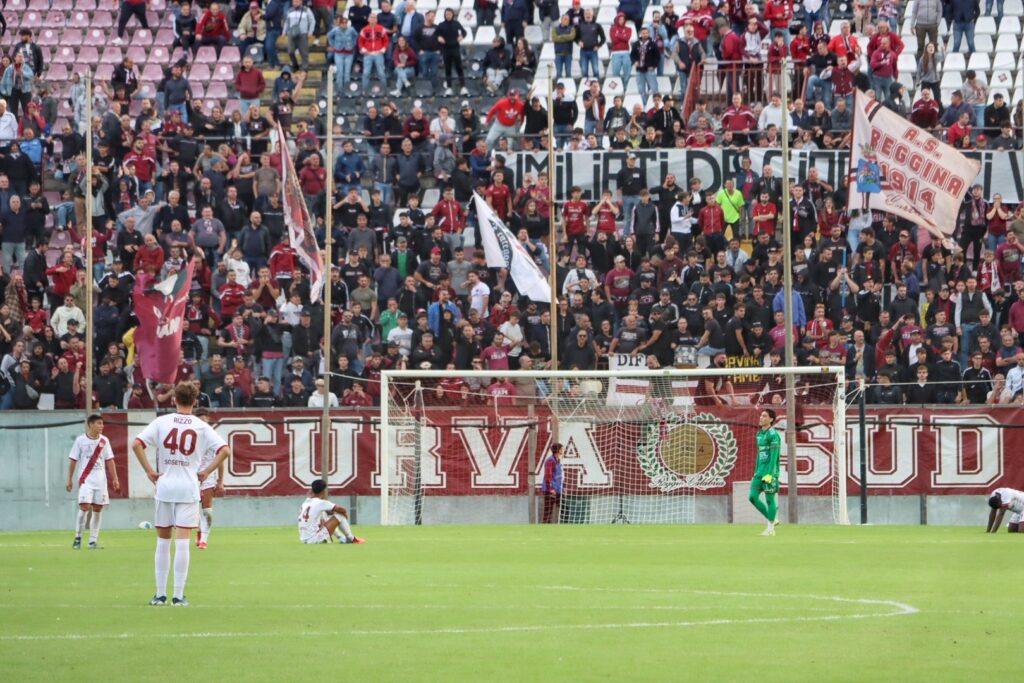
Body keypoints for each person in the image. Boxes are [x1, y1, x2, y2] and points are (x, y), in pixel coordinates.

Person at [132, 382, 231, 607]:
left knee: (163, 542)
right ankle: (178, 596)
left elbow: (136, 444)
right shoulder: (201, 426)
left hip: (165, 486)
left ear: (174, 399)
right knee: (183, 542)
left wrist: (149, 471)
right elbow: (225, 450)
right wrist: (206, 471)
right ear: (195, 402)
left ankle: (160, 595)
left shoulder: (162, 422)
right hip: (188, 488)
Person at [66, 414, 120, 550]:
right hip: (86, 480)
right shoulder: (80, 440)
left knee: (98, 508)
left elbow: (110, 460)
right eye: (99, 423)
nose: (102, 426)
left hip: (100, 481)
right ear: (90, 424)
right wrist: (69, 479)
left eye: (102, 423)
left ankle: (92, 541)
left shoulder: (104, 440)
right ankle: (78, 538)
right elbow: (73, 460)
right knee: (84, 507)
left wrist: (115, 478)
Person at [193, 408, 226, 550]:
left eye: (204, 419)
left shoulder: (214, 437)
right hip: (191, 476)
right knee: (193, 510)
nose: (202, 422)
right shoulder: (190, 436)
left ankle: (204, 539)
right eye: (199, 419)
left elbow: (221, 458)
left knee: (206, 509)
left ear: (208, 419)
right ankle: (199, 531)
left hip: (208, 476)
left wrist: (220, 481)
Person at [298, 479, 366, 544]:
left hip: (304, 539)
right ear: (323, 491)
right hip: (315, 539)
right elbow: (342, 509)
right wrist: (345, 514)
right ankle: (351, 538)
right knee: (340, 515)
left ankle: (341, 537)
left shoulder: (305, 503)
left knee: (324, 514)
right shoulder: (320, 502)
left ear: (312, 490)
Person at [749, 408, 781, 536]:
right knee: (752, 497)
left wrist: (770, 474)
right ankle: (773, 519)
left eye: (764, 416)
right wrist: (756, 471)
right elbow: (759, 455)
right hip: (759, 472)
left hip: (769, 473)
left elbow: (774, 457)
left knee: (769, 500)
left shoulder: (773, 435)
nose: (761, 418)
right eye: (761, 415)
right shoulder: (759, 434)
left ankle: (770, 529)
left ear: (771, 419)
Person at [539, 442, 563, 523]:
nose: (563, 450)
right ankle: (545, 527)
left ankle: (565, 526)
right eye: (562, 449)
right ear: (558, 450)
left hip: (557, 490)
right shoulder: (550, 461)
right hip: (550, 490)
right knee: (548, 511)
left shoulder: (558, 460)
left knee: (564, 508)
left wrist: (562, 488)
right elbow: (548, 476)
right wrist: (551, 489)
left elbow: (558, 477)